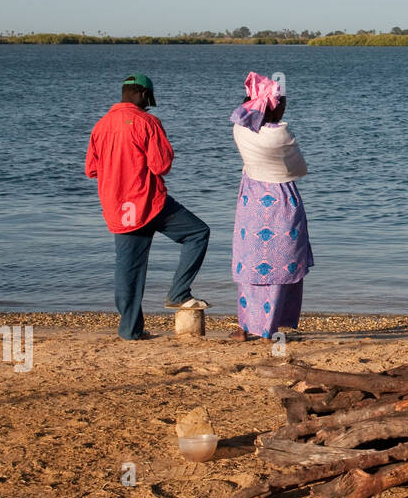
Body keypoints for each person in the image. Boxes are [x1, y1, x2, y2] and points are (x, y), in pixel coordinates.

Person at [85, 73, 211, 340]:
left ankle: (130, 331)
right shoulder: (147, 122)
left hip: (117, 206)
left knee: (127, 268)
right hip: (149, 202)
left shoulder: (100, 126)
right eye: (148, 99)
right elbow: (161, 166)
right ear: (143, 94)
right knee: (197, 233)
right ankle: (178, 292)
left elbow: (91, 170)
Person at [229, 72, 313, 341]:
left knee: (251, 262)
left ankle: (246, 326)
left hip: (251, 200)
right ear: (275, 107)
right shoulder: (282, 136)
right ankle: (270, 327)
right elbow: (298, 168)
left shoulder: (240, 130)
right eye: (283, 102)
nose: (286, 106)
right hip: (282, 200)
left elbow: (243, 117)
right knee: (279, 262)